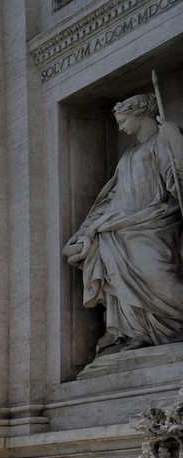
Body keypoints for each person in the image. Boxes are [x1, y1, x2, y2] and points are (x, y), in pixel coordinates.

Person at [65, 92, 183, 354]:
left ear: (140, 115)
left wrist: (175, 139)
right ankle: (136, 331)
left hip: (153, 224)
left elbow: (177, 183)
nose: (120, 127)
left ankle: (174, 323)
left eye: (123, 120)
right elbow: (111, 198)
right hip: (118, 226)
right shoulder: (128, 155)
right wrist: (86, 231)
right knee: (117, 273)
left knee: (159, 276)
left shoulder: (161, 142)